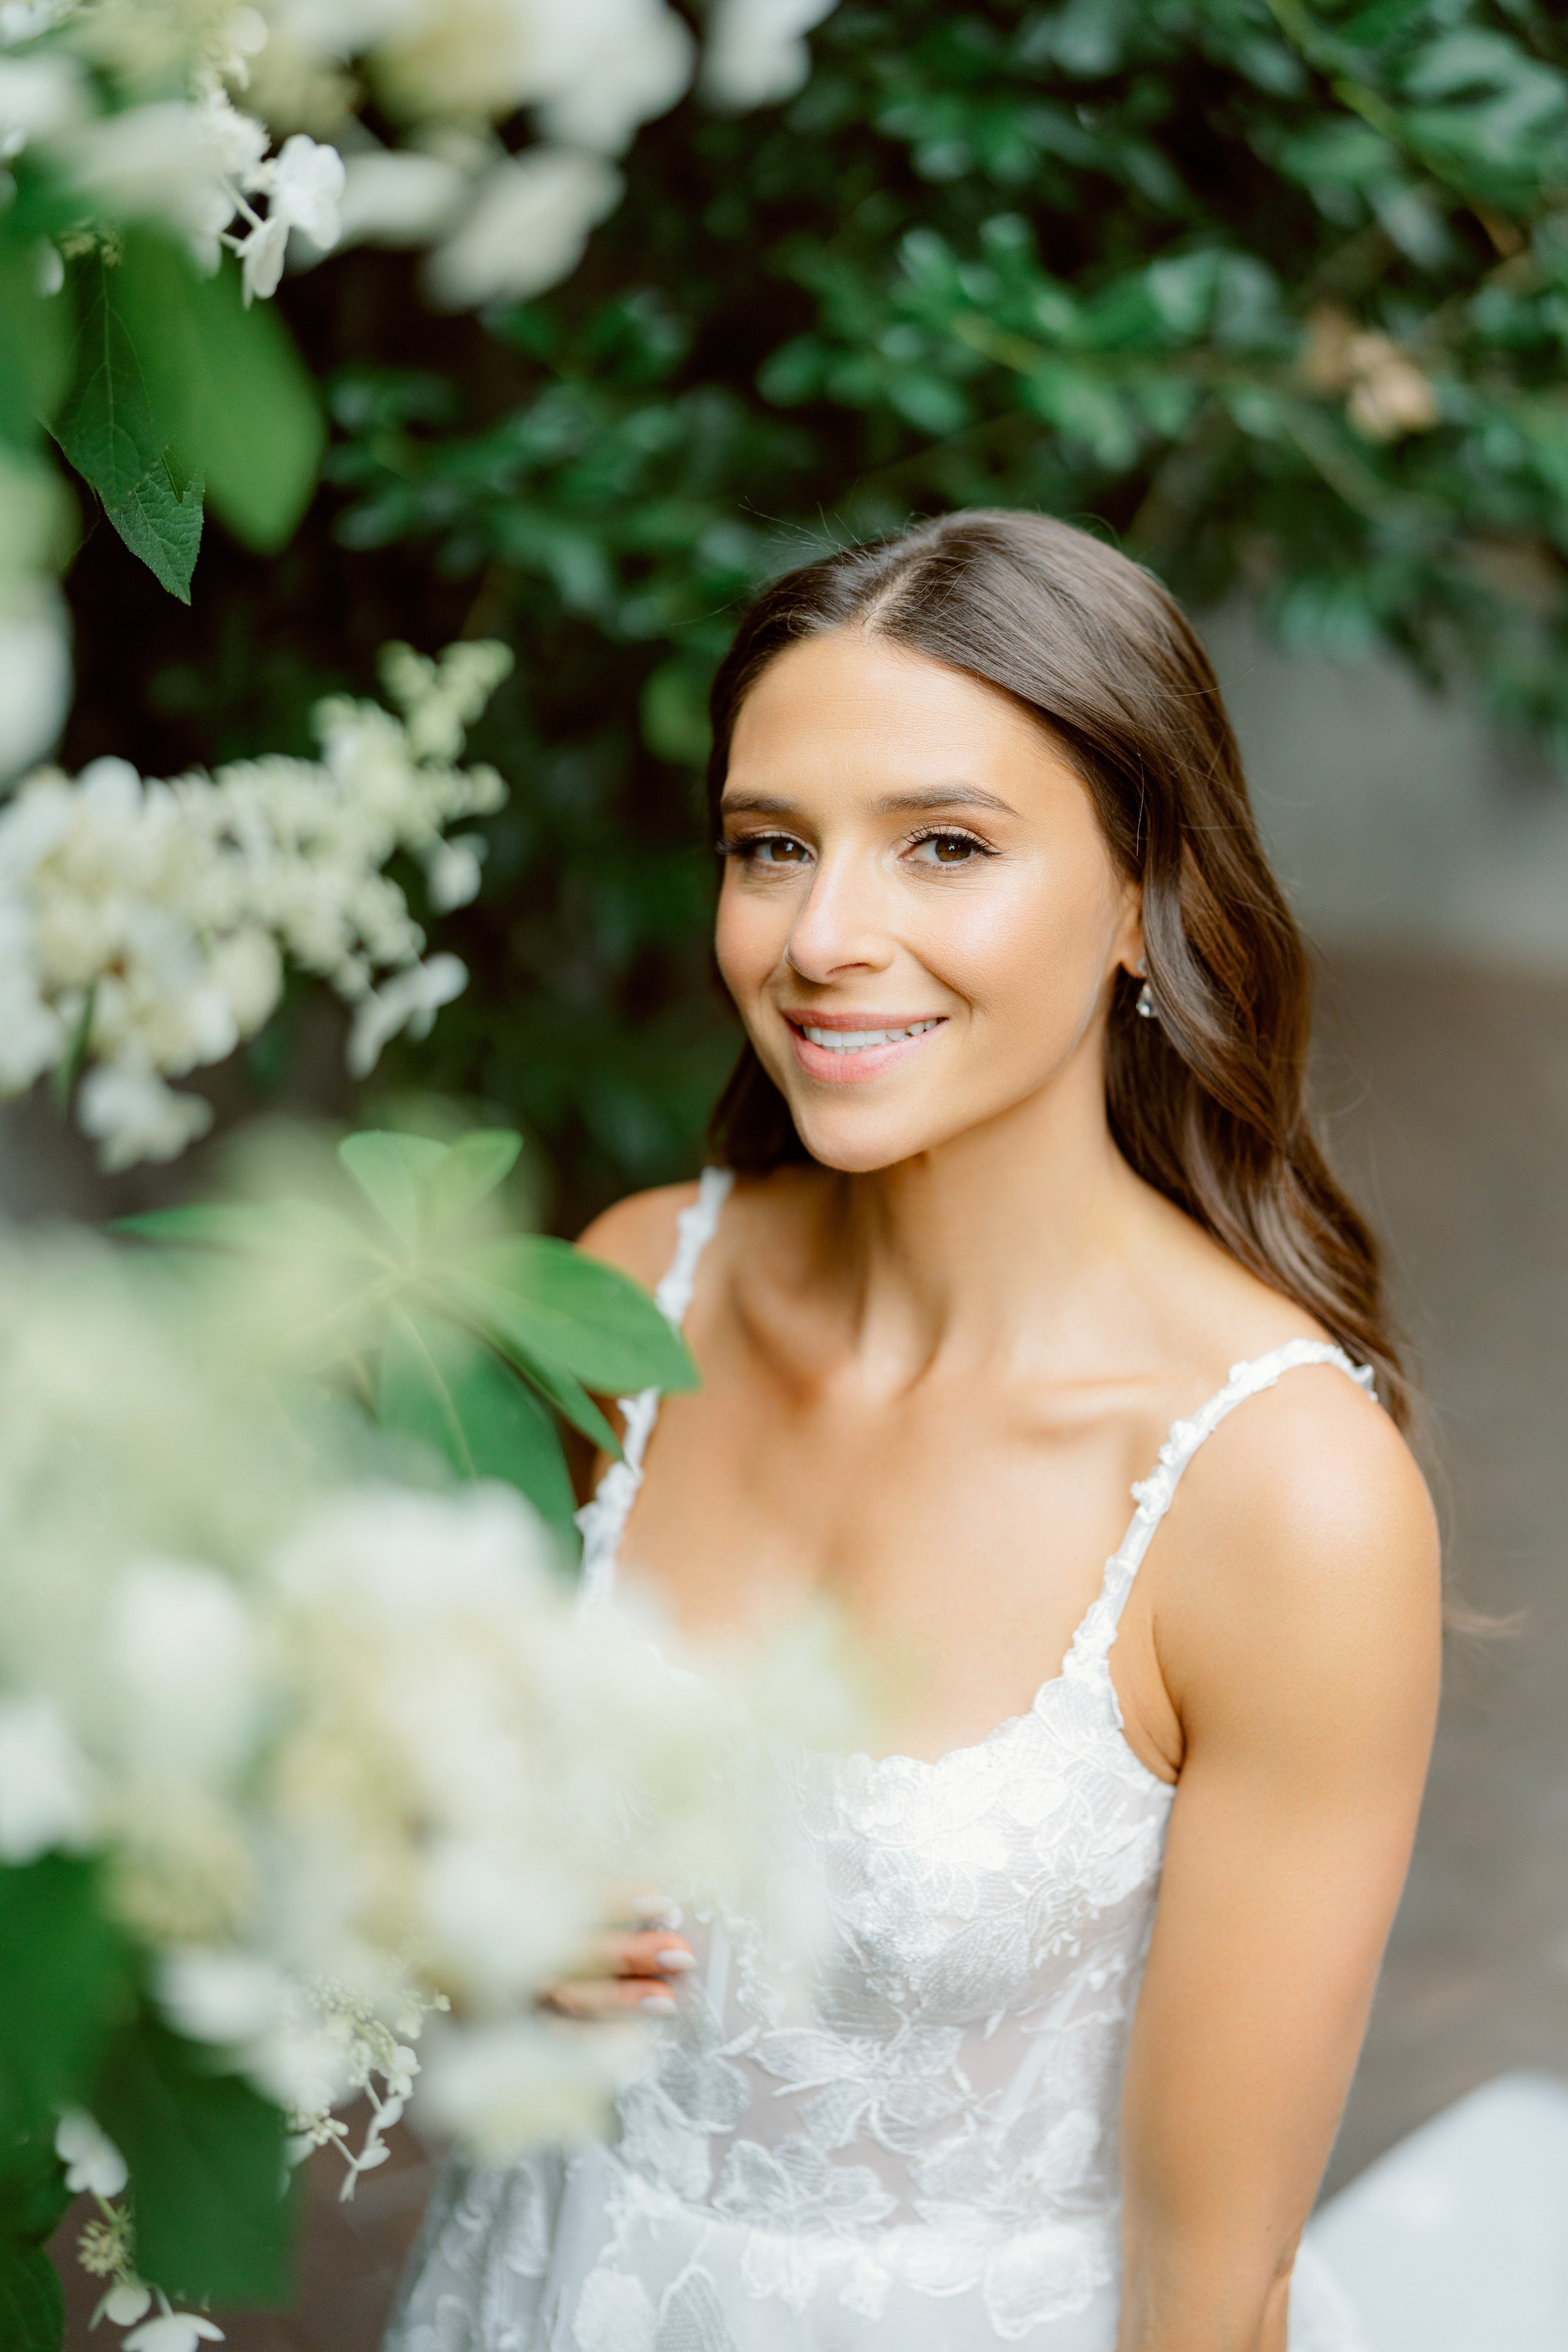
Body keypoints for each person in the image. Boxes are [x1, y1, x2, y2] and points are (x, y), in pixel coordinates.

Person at [386, 510, 1449, 2351]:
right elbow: (432, 1768)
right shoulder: (631, 1294)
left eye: (943, 845)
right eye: (769, 847)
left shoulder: (1286, 1501)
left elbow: (1217, 2286)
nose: (822, 938)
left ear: (1145, 898)